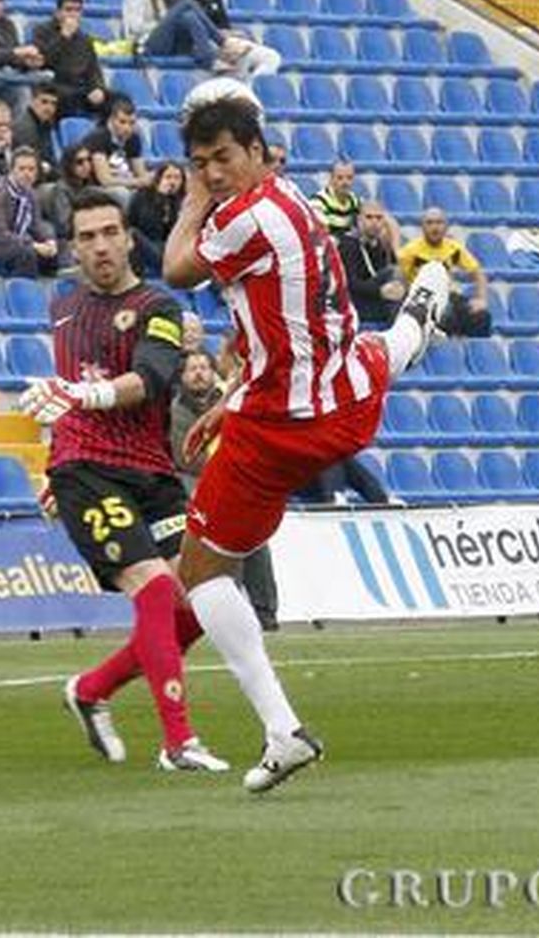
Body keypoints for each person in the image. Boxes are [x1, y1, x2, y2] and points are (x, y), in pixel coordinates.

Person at [146, 85, 447, 791]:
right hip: (345, 395)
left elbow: (175, 268)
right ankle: (416, 324)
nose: (213, 173)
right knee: (375, 351)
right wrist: (230, 398)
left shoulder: (243, 218)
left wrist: (191, 196)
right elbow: (276, 333)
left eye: (222, 158)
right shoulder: (295, 202)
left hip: (285, 426)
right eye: (201, 162)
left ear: (257, 152)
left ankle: (282, 731)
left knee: (201, 575)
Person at [25, 188, 228, 773]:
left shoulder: (158, 307)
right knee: (156, 590)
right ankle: (179, 743)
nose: (100, 246)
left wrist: (84, 394)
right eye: (87, 237)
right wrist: (56, 468)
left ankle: (91, 690)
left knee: (200, 606)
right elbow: (69, 399)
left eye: (110, 232)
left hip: (151, 472)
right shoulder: (63, 309)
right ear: (73, 247)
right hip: (86, 468)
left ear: (128, 239)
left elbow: (153, 376)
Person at [170, 347, 278, 630]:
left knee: (256, 543)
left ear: (213, 371)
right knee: (222, 547)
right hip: (202, 483)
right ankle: (231, 613)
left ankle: (266, 612)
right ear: (182, 376)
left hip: (239, 479)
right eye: (192, 369)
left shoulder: (232, 401)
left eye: (203, 368)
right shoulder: (176, 411)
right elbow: (185, 458)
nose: (198, 374)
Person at [397, 206, 491, 338]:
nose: (435, 227)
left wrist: (481, 299)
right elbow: (399, 278)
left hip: (447, 295)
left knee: (481, 316)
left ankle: (475, 349)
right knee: (447, 315)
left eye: (439, 222)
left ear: (446, 226)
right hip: (422, 299)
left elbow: (478, 273)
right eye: (429, 223)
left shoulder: (453, 248)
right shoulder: (410, 251)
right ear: (422, 227)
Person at [0, 146, 58, 278]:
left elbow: (36, 226)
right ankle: (22, 287)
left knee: (52, 253)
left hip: (14, 242)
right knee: (26, 253)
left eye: (31, 169)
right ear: (12, 170)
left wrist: (49, 241)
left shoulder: (31, 194)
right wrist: (33, 245)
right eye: (22, 169)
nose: (27, 174)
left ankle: (49, 286)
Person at [31, 0, 108, 119]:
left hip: (80, 89)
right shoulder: (41, 31)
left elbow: (94, 70)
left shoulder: (84, 39)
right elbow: (43, 61)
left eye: (77, 10)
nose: (73, 14)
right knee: (66, 97)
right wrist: (63, 37)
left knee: (117, 101)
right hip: (54, 84)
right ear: (58, 12)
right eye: (68, 10)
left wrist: (98, 88)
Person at [340, 200, 405, 325]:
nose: (374, 222)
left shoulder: (383, 244)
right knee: (394, 271)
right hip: (357, 306)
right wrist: (380, 291)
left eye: (379, 218)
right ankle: (397, 326)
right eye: (369, 217)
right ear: (359, 220)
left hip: (379, 302)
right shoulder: (348, 244)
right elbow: (350, 284)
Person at [83, 96, 151, 207]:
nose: (127, 128)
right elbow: (105, 180)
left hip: (125, 182)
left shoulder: (133, 138)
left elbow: (141, 173)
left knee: (151, 192)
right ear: (111, 120)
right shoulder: (98, 138)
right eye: (122, 122)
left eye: (131, 123)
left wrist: (149, 180)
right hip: (95, 187)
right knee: (122, 193)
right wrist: (137, 182)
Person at [126, 161, 183, 279]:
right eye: (168, 177)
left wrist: (172, 204)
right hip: (146, 243)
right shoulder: (142, 196)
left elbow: (176, 232)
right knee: (132, 233)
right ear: (158, 179)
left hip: (171, 248)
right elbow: (148, 227)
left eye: (177, 178)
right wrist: (161, 198)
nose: (172, 182)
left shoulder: (182, 201)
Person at [38, 143, 93, 241]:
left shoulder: (89, 186)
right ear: (69, 165)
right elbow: (64, 227)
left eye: (89, 160)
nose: (86, 165)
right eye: (80, 162)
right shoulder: (62, 190)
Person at [10, 82, 59, 181]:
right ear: (32, 101)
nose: (49, 108)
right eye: (44, 102)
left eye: (53, 104)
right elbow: (32, 165)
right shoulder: (25, 127)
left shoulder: (45, 124)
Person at [310, 158, 360, 238]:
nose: (345, 182)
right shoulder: (318, 201)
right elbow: (322, 235)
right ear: (331, 179)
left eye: (349, 178)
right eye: (340, 178)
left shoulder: (355, 200)